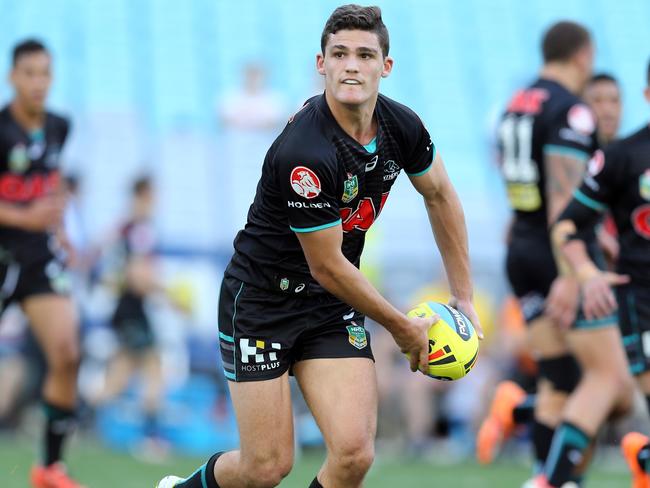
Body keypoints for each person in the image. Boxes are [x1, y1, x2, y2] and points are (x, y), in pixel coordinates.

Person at [158, 4, 482, 488]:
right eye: (340, 53)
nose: (352, 65)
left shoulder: (403, 126)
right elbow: (328, 265)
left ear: (385, 67)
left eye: (365, 54)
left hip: (330, 306)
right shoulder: (305, 152)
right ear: (321, 64)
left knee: (353, 455)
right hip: (263, 301)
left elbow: (440, 195)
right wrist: (400, 327)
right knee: (266, 468)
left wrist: (464, 296)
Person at [477, 21, 634, 487]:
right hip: (559, 257)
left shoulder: (514, 106)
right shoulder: (570, 110)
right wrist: (570, 271)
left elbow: (526, 185)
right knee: (614, 386)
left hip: (521, 248)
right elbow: (564, 202)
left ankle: (543, 461)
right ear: (583, 56)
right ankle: (552, 478)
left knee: (562, 381)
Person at [551, 58, 650, 488]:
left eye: (614, 100)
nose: (607, 109)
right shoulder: (621, 157)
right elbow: (567, 223)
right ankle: (554, 478)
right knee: (593, 383)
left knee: (610, 394)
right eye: (599, 100)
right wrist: (583, 273)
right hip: (639, 301)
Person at [0, 39, 84, 487]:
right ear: (13, 76)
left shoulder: (58, 126)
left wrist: (60, 232)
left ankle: (50, 468)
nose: (38, 82)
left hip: (36, 258)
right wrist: (23, 216)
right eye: (29, 73)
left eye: (45, 73)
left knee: (67, 353)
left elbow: (50, 182)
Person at [89, 176, 167, 454]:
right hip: (132, 308)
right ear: (143, 195)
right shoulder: (139, 229)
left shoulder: (123, 227)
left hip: (124, 309)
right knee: (153, 369)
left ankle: (76, 421)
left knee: (119, 377)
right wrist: (168, 293)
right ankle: (150, 437)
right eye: (153, 195)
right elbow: (136, 276)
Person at [584, 73, 622, 147]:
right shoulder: (575, 153)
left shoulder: (632, 153)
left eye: (614, 100)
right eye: (597, 100)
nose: (607, 109)